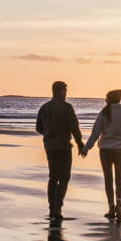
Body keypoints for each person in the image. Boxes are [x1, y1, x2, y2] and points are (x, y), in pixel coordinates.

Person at [82, 89, 121, 220]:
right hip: (120, 150)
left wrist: (86, 148)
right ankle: (119, 203)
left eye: (106, 98)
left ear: (109, 99)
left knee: (108, 179)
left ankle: (111, 207)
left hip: (105, 150)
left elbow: (95, 134)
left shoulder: (104, 113)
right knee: (119, 179)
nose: (105, 100)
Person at [35, 80, 84, 220]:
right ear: (61, 91)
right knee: (64, 178)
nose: (66, 94)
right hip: (63, 146)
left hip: (50, 146)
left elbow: (39, 128)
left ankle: (52, 207)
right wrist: (80, 144)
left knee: (53, 177)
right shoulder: (67, 108)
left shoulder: (44, 108)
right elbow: (75, 128)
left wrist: (49, 134)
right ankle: (57, 208)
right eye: (65, 91)